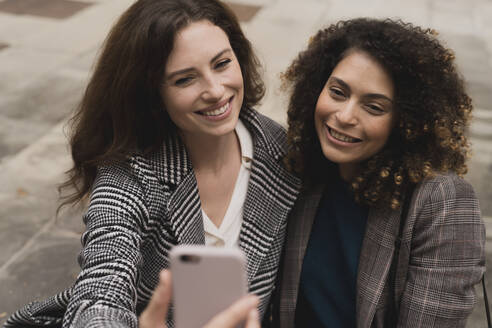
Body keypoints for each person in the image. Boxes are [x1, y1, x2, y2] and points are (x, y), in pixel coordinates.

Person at [4, 0, 300, 327]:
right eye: (185, 79)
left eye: (222, 63)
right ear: (152, 94)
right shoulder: (131, 175)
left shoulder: (283, 154)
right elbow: (101, 287)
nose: (216, 91)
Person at [273, 18, 486, 327]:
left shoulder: (443, 203)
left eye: (373, 107)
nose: (344, 116)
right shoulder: (304, 170)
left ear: (406, 123)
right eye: (337, 92)